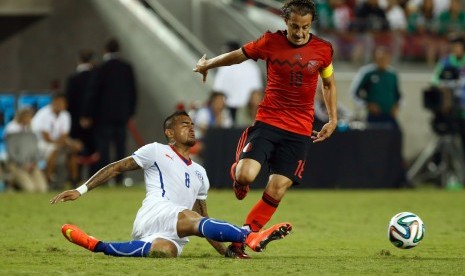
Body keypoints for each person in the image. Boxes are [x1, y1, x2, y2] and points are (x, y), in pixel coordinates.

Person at [194, 0, 338, 258]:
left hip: (299, 130)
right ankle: (238, 177)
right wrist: (208, 64)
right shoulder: (270, 42)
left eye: (305, 27)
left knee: (278, 187)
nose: (300, 32)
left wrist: (332, 119)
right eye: (295, 26)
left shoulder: (323, 50)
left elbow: (328, 84)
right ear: (286, 22)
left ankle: (240, 242)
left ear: (311, 24)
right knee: (246, 176)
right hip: (269, 122)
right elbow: (238, 54)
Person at [50, 111, 292, 258]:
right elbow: (115, 167)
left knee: (164, 252)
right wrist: (80, 190)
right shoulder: (155, 151)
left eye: (192, 124)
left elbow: (203, 219)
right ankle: (249, 236)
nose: (191, 127)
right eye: (184, 124)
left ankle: (96, 245)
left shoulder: (200, 172)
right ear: (170, 133)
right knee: (188, 216)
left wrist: (226, 252)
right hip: (155, 213)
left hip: (175, 232)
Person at [82, 37, 137, 183]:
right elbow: (133, 92)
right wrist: (130, 113)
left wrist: (87, 114)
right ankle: (120, 180)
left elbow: (93, 93)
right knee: (120, 149)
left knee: (104, 150)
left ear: (105, 50)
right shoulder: (126, 68)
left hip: (103, 117)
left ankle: (105, 180)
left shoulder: (100, 69)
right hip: (122, 116)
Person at [31, 92, 82, 189]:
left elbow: (64, 135)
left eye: (62, 103)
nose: (60, 105)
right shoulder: (44, 114)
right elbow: (46, 138)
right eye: (58, 102)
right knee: (54, 150)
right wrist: (63, 144)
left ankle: (74, 181)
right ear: (53, 102)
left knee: (73, 150)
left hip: (56, 143)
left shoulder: (65, 115)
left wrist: (71, 145)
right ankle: (47, 181)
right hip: (39, 144)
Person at [65, 49, 98, 178]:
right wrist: (89, 116)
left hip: (75, 122)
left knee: (76, 150)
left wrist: (79, 118)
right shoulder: (96, 77)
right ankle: (95, 179)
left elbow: (69, 102)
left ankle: (75, 177)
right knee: (94, 152)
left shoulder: (72, 79)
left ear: (78, 60)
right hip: (94, 123)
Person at [350, 47, 402, 129]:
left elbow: (399, 95)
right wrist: (367, 104)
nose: (382, 61)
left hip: (390, 116)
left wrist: (397, 106)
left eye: (385, 58)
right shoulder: (367, 73)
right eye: (380, 58)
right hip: (374, 116)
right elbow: (354, 93)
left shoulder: (392, 75)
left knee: (395, 136)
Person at [212, 41, 263, 122]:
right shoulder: (252, 66)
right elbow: (257, 90)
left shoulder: (225, 66)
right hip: (248, 107)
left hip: (230, 107)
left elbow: (217, 90)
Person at [4, 107, 48, 192]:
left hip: (32, 165)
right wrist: (23, 164)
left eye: (29, 116)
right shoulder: (11, 129)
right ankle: (13, 184)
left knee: (42, 189)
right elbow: (11, 152)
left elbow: (36, 150)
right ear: (20, 117)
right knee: (29, 188)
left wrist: (33, 163)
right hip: (17, 165)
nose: (27, 119)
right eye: (25, 116)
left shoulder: (32, 131)